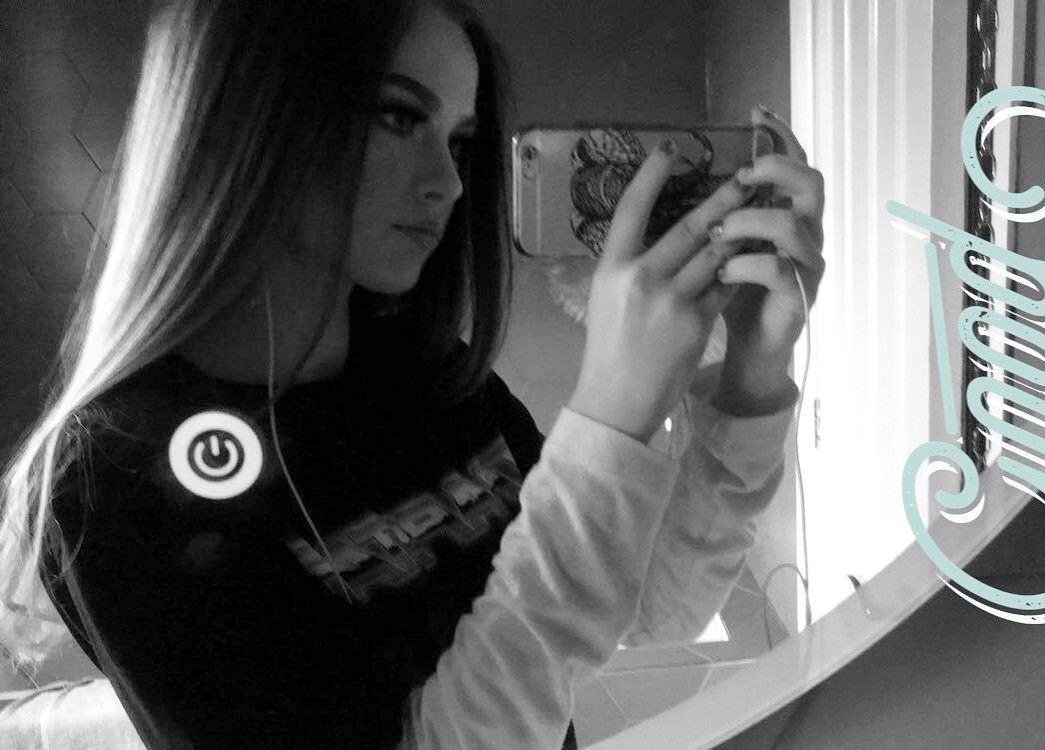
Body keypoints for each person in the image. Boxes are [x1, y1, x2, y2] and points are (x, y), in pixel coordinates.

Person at [0, 0, 825, 747]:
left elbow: (650, 608)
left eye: (460, 141)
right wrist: (609, 418)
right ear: (246, 114)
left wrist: (754, 372)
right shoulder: (113, 480)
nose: (451, 183)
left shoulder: (433, 375)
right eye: (398, 116)